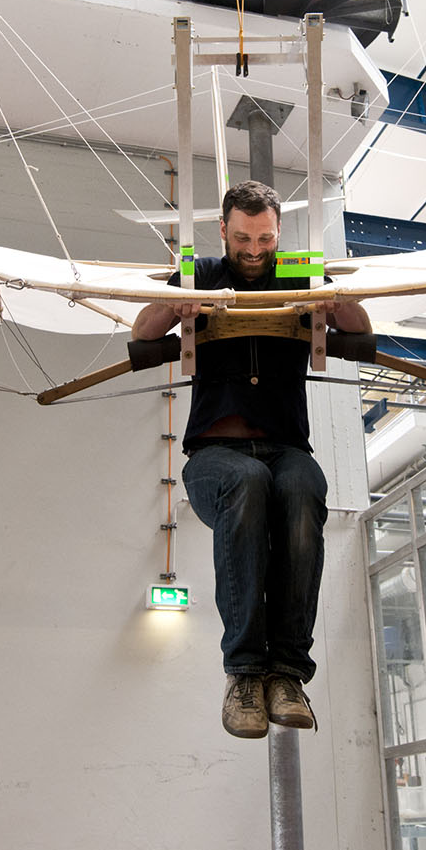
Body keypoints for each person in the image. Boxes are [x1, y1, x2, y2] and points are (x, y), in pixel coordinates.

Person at [134, 181, 369, 739]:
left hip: (288, 451)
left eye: (265, 238)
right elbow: (142, 336)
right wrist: (173, 303)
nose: (255, 250)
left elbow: (360, 331)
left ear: (278, 233)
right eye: (243, 237)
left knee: (303, 488)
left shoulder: (300, 272)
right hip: (216, 455)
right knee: (246, 482)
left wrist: (334, 302)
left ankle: (287, 671)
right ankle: (244, 672)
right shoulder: (201, 272)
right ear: (222, 230)